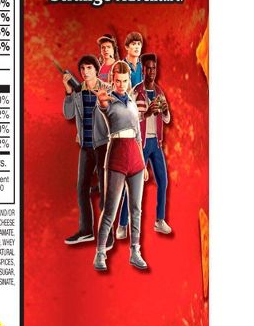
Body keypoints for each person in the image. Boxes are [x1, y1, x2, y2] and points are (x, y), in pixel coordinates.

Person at [92, 61, 149, 273]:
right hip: (116, 156)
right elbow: (103, 107)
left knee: (136, 209)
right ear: (112, 80)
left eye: (125, 81)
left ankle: (135, 251)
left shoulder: (132, 103)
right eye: (118, 81)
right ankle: (100, 253)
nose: (121, 84)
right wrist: (101, 101)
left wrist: (143, 164)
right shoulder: (109, 101)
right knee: (110, 209)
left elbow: (138, 134)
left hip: (135, 159)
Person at [61, 56, 110, 246]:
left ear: (96, 70)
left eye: (89, 67)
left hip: (103, 145)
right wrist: (68, 92)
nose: (85, 72)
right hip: (86, 146)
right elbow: (68, 114)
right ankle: (86, 230)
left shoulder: (106, 88)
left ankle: (107, 234)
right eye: (82, 68)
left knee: (105, 191)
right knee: (82, 188)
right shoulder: (78, 91)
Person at [136, 52, 172, 234]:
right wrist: (147, 113)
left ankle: (160, 220)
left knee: (163, 182)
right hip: (141, 144)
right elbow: (131, 120)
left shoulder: (159, 92)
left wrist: (165, 111)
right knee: (134, 185)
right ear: (142, 70)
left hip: (156, 143)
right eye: (148, 68)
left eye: (154, 68)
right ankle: (124, 224)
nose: (151, 72)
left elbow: (167, 120)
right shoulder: (136, 92)